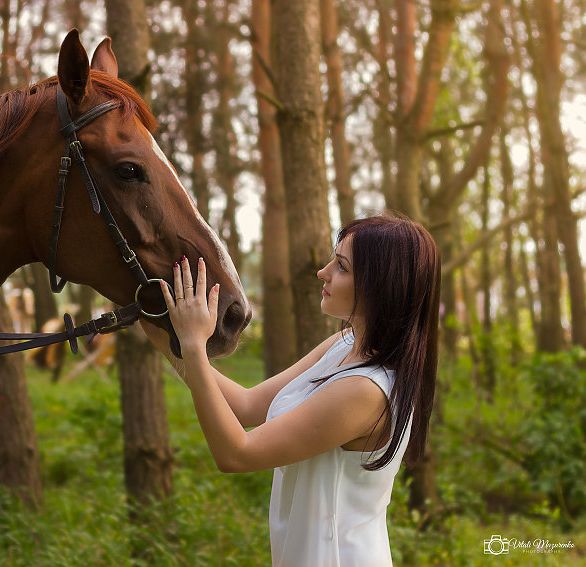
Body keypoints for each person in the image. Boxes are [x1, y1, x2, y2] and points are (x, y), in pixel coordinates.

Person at [142, 213, 441, 567]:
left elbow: (236, 454)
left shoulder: (365, 391)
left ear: (380, 288)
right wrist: (157, 327)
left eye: (341, 267)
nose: (323, 272)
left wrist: (193, 346)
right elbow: (246, 404)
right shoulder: (343, 345)